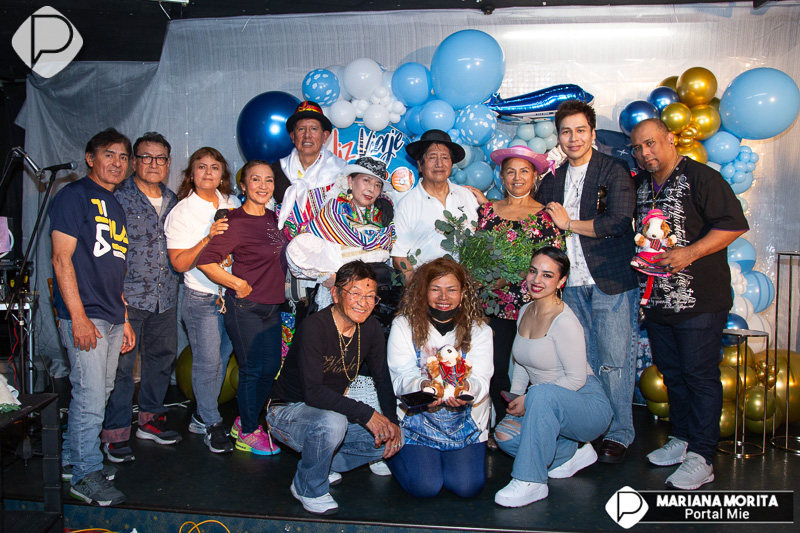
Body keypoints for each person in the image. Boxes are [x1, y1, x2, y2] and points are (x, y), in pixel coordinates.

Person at [630, 118, 748, 490]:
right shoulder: (642, 185)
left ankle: (702, 456)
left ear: (670, 138)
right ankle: (682, 439)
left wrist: (689, 253)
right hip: (658, 301)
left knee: (699, 377)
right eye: (638, 148)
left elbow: (733, 225)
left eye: (651, 143)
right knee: (673, 374)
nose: (645, 152)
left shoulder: (702, 178)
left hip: (700, 301)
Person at [536, 100, 639, 463]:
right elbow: (537, 223)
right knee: (582, 364)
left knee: (614, 362)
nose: (574, 138)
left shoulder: (613, 170)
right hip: (570, 286)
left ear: (592, 133)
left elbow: (619, 221)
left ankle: (620, 432)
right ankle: (592, 429)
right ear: (558, 137)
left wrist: (569, 225)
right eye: (566, 132)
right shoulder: (552, 179)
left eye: (581, 130)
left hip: (610, 280)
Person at [266, 261, 402, 516]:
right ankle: (307, 487)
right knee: (333, 423)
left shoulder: (370, 328)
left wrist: (392, 422)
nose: (363, 302)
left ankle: (323, 463)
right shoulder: (315, 327)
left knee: (396, 434)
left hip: (328, 411)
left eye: (370, 296)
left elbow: (383, 379)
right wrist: (367, 414)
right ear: (336, 294)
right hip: (287, 412)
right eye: (355, 293)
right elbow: (313, 393)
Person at [50, 128, 136, 506]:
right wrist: (78, 317)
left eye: (123, 157)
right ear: (90, 158)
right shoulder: (74, 195)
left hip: (112, 314)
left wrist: (125, 317)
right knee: (89, 397)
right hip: (86, 315)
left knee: (98, 392)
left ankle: (72, 459)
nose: (117, 163)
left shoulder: (114, 204)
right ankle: (86, 475)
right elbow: (60, 259)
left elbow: (115, 268)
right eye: (108, 154)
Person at [494, 247, 612, 507]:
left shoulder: (564, 321)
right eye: (533, 271)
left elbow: (576, 379)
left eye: (547, 275)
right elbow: (522, 362)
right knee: (504, 435)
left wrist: (529, 399)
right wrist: (517, 397)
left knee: (541, 394)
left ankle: (531, 480)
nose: (537, 280)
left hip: (586, 404)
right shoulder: (525, 311)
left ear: (561, 281)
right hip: (544, 403)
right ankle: (572, 453)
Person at [467, 145, 567, 445]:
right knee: (496, 368)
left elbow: (554, 265)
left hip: (531, 308)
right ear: (501, 176)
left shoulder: (547, 216)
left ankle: (534, 427)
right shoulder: (486, 212)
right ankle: (503, 427)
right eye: (510, 171)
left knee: (531, 371)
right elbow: (473, 256)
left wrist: (519, 279)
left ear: (535, 176)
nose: (517, 177)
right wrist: (481, 278)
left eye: (524, 171)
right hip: (491, 306)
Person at [196, 160, 288, 456]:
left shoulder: (274, 218)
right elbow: (206, 261)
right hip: (245, 307)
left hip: (272, 306)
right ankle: (248, 431)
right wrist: (236, 283)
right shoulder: (234, 222)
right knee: (252, 369)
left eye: (269, 180)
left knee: (270, 368)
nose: (263, 186)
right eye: (256, 179)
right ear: (244, 185)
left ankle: (243, 422)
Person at [101, 132, 181, 464]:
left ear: (168, 163)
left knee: (161, 358)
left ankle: (150, 420)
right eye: (146, 157)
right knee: (121, 368)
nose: (153, 163)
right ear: (134, 161)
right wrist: (114, 297)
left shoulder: (174, 200)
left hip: (166, 295)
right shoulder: (117, 198)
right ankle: (115, 432)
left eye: (160, 158)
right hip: (127, 296)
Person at [387, 257, 493, 498]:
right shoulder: (404, 325)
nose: (443, 297)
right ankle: (390, 454)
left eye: (451, 289)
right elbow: (401, 375)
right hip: (417, 418)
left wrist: (465, 389)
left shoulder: (480, 330)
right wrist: (424, 387)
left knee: (466, 487)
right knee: (425, 487)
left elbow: (481, 379)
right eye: (435, 289)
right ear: (423, 291)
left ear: (463, 293)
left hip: (465, 420)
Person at [165, 147, 240, 454]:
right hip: (201, 297)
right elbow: (179, 263)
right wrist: (208, 238)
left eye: (214, 167)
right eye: (201, 167)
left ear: (222, 174)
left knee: (221, 359)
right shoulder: (182, 212)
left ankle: (199, 417)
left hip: (231, 296)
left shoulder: (232, 203)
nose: (208, 172)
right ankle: (212, 423)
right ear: (191, 174)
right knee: (208, 363)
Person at [391, 130, 479, 280]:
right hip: (425, 284)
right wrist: (417, 288)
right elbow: (399, 257)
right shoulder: (407, 204)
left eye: (445, 157)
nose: (439, 164)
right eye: (432, 157)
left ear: (451, 164)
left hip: (464, 284)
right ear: (420, 165)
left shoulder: (467, 196)